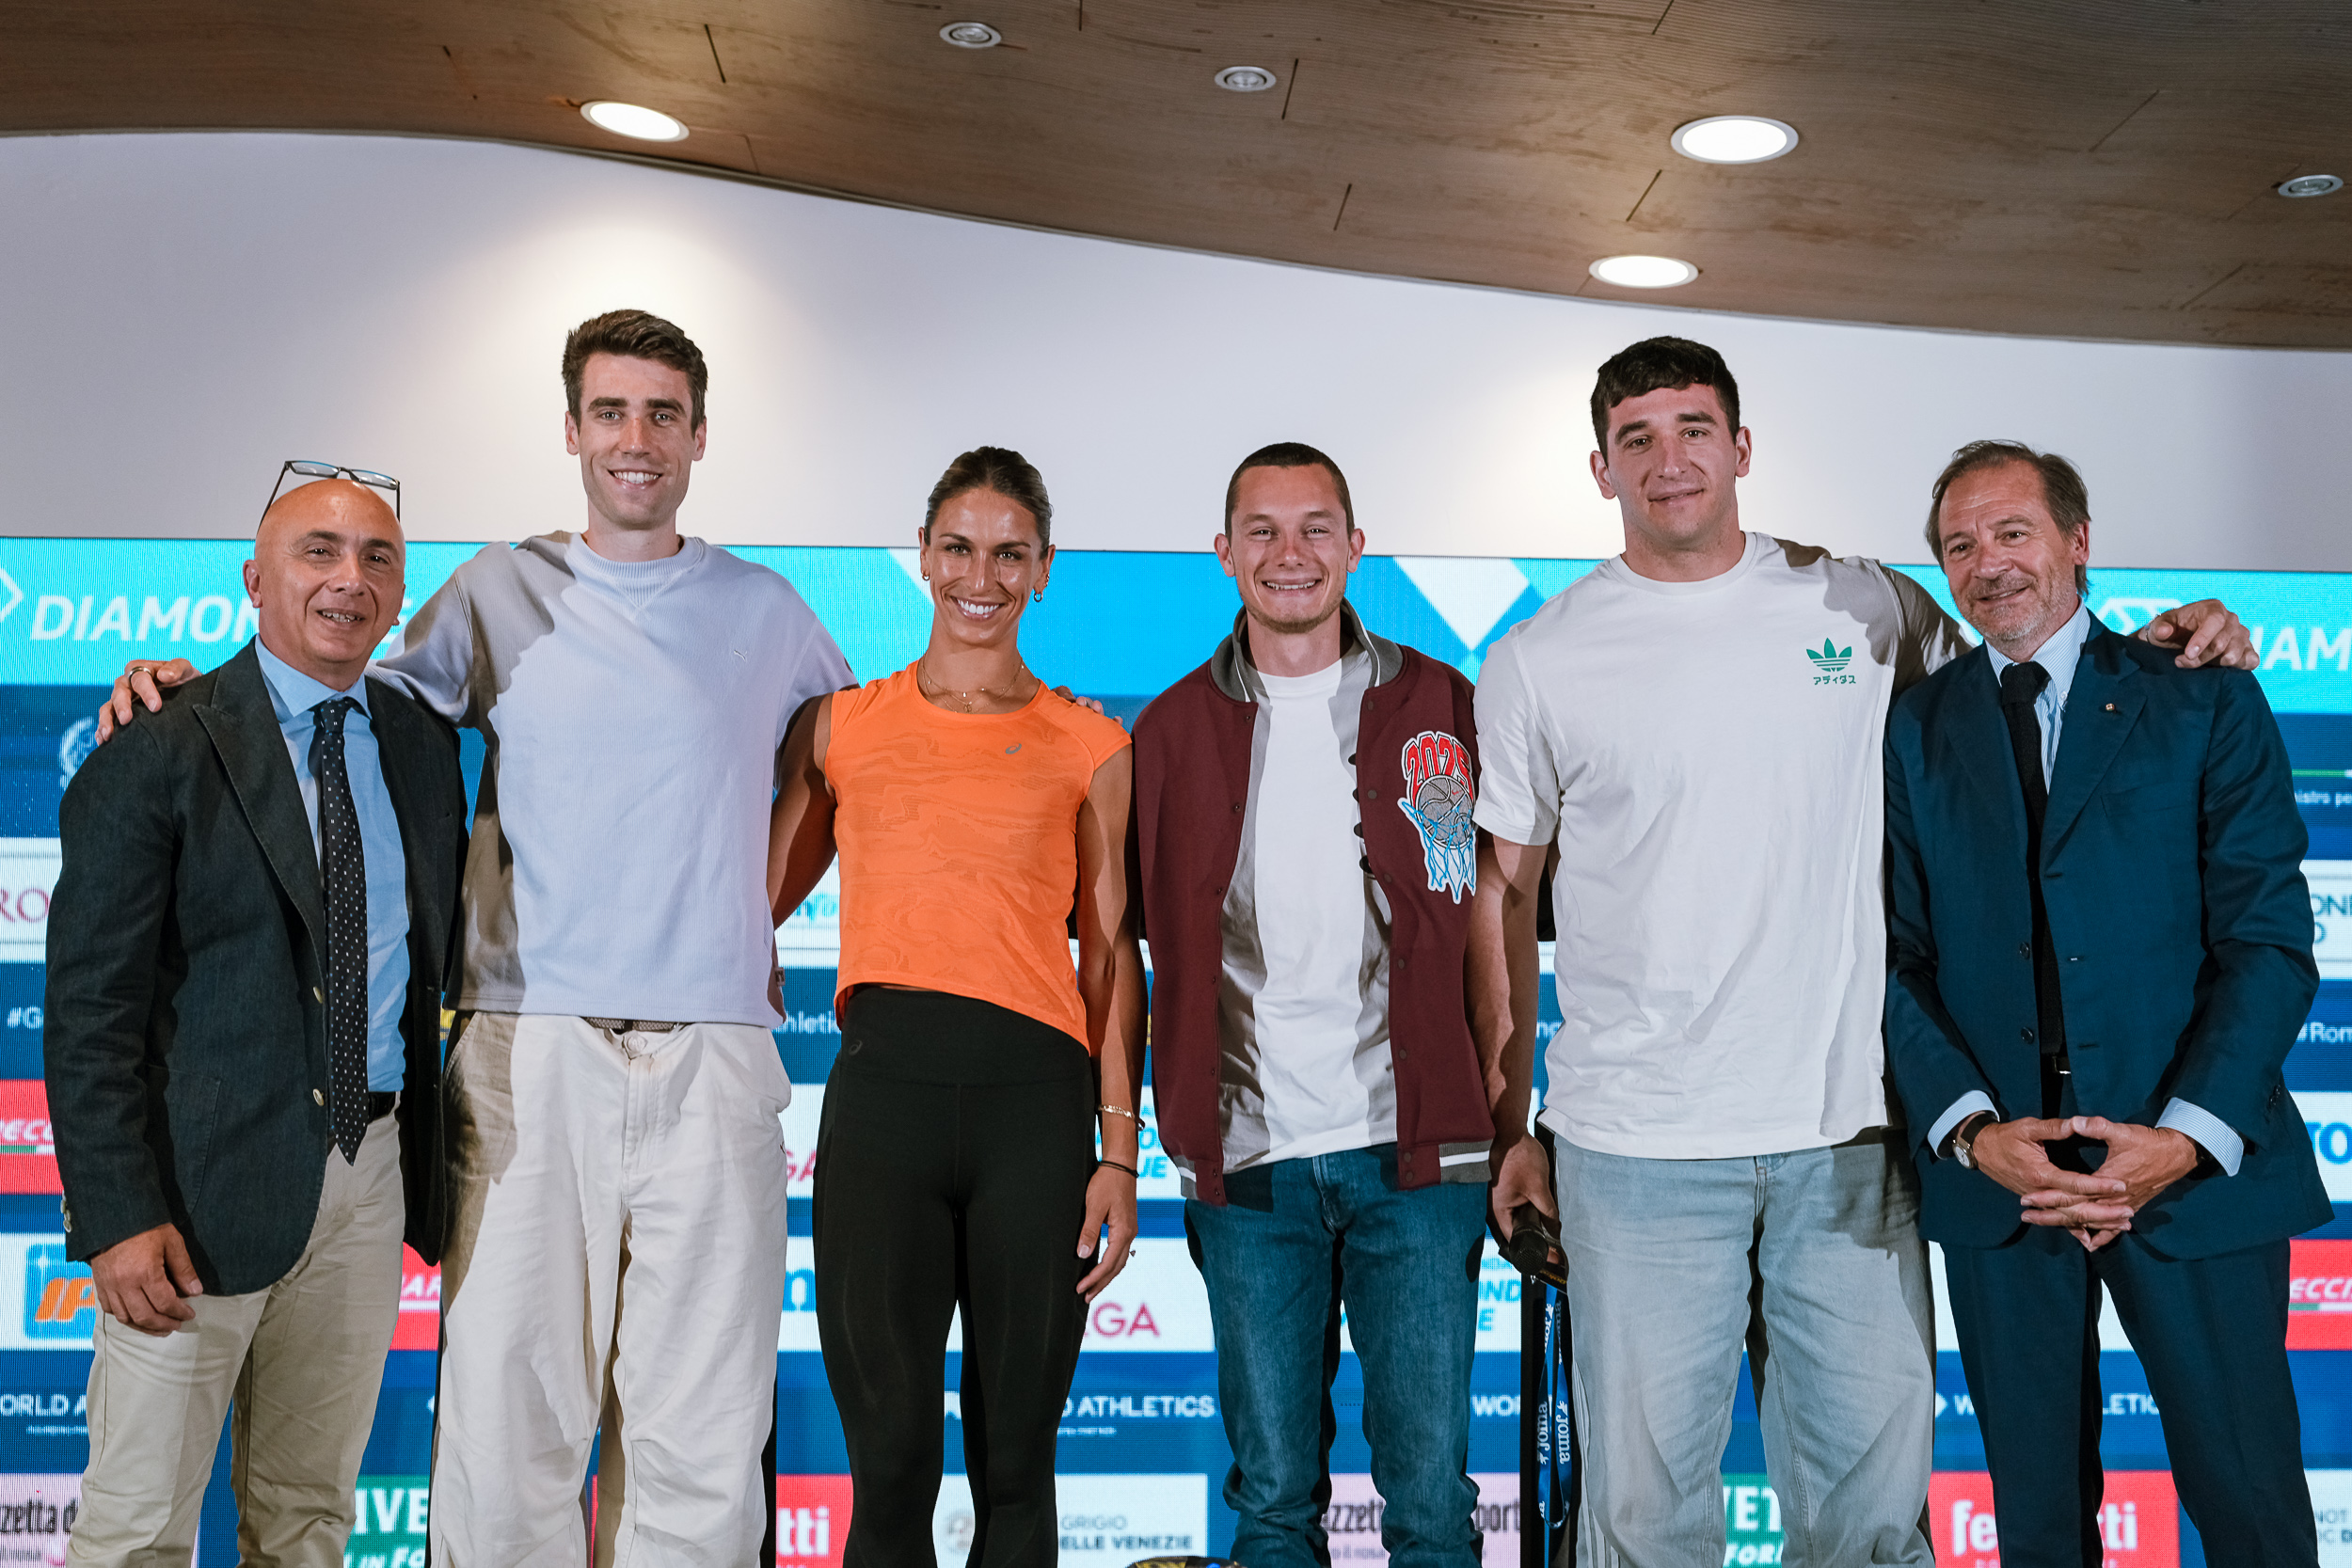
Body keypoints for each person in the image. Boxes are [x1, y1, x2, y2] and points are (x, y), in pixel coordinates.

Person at [1470, 337, 2258, 1566]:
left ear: (1741, 447)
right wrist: (1507, 1123)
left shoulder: (1867, 604)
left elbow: (2031, 654)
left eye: (1694, 428)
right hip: (1636, 1147)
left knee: (1872, 1527)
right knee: (1643, 1525)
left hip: (1854, 1135)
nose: (1670, 459)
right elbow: (1503, 895)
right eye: (1638, 437)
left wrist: (2178, 634)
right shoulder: (1536, 655)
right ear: (1600, 467)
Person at [102, 309, 853, 1567]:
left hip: (715, 1057)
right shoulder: (496, 587)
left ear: (699, 435)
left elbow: (841, 762)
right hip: (527, 1046)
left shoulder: (766, 607)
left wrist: (751, 899)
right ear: (571, 430)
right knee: (507, 1434)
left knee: (705, 1439)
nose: (636, 437)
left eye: (663, 413)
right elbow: (329, 698)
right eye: (610, 411)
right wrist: (183, 688)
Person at [1885, 440, 2327, 1564]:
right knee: (2037, 1528)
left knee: (2253, 1510)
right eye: (1959, 545)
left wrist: (2179, 1140)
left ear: (2077, 542)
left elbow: (2269, 942)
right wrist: (1975, 1134)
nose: (1989, 563)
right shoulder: (1913, 729)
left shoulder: (2202, 693)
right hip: (2008, 1188)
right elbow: (1892, 957)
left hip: (2192, 1175)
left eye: (2013, 531)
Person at [48, 472, 465, 1568]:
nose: (348, 578)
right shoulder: (158, 740)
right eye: (317, 550)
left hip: (369, 1177)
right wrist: (117, 1213)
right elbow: (89, 1013)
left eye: (377, 557)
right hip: (190, 1197)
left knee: (309, 1521)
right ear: (254, 578)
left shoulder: (423, 745)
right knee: (137, 1528)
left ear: (399, 589)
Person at [768, 445, 1144, 1567]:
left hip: (1037, 1112)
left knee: (1017, 1463)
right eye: (960, 548)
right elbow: (742, 907)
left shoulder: (1092, 742)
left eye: (1010, 553)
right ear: (925, 556)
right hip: (883, 1107)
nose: (982, 576)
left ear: (1043, 567)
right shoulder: (841, 726)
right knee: (887, 1466)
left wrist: (1119, 1152)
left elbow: (1109, 956)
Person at [1131, 443, 1496, 1568]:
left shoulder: (1441, 699)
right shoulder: (1165, 729)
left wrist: (1506, 1113)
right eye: (1262, 529)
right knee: (1273, 1507)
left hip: (1418, 1159)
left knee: (1431, 1503)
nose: (1289, 553)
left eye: (1314, 527)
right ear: (1223, 550)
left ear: (1354, 544)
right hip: (1249, 1166)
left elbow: (1496, 911)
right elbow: (1129, 939)